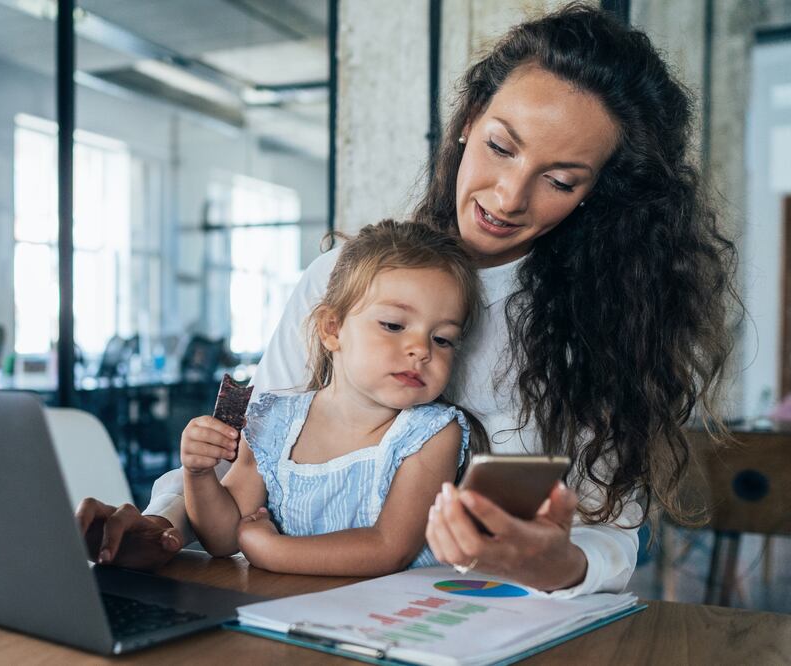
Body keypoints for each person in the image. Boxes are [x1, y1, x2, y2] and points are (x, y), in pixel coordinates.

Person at [75, 4, 737, 595]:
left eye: (559, 180)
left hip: (484, 623)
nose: (509, 197)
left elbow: (610, 541)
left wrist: (548, 561)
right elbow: (249, 459)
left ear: (598, 192)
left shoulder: (598, 328)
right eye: (500, 147)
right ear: (467, 123)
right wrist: (161, 529)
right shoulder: (340, 279)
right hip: (304, 612)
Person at [183, 222, 480, 576]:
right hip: (289, 613)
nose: (421, 350)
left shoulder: (430, 434)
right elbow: (224, 538)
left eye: (443, 339)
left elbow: (390, 548)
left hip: (392, 618)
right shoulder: (273, 424)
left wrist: (272, 550)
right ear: (332, 329)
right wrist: (198, 474)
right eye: (394, 325)